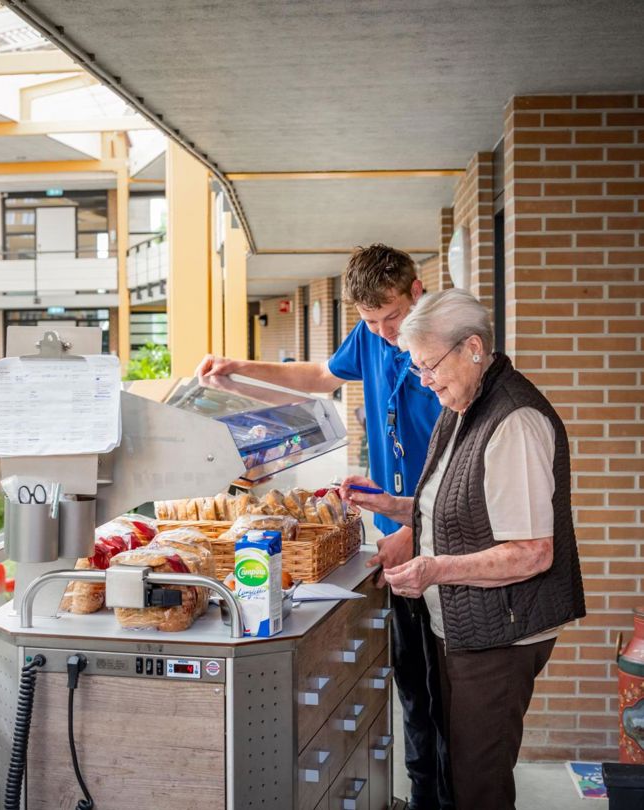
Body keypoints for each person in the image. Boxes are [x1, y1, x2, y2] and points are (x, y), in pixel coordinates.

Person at [197, 244, 452, 810]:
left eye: (394, 319)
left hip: (439, 534)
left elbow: (465, 460)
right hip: (393, 533)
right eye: (371, 322)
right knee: (411, 684)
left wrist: (417, 525)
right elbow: (317, 377)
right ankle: (425, 799)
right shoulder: (369, 338)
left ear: (417, 293)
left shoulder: (446, 345)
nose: (386, 334)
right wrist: (239, 371)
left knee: (445, 697)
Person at [340, 288, 585, 810]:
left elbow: (533, 551)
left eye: (429, 366)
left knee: (479, 783)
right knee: (457, 766)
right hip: (464, 627)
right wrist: (394, 503)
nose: (424, 381)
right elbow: (460, 506)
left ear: (472, 347)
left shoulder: (514, 421)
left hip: (502, 634)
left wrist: (433, 569)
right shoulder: (464, 401)